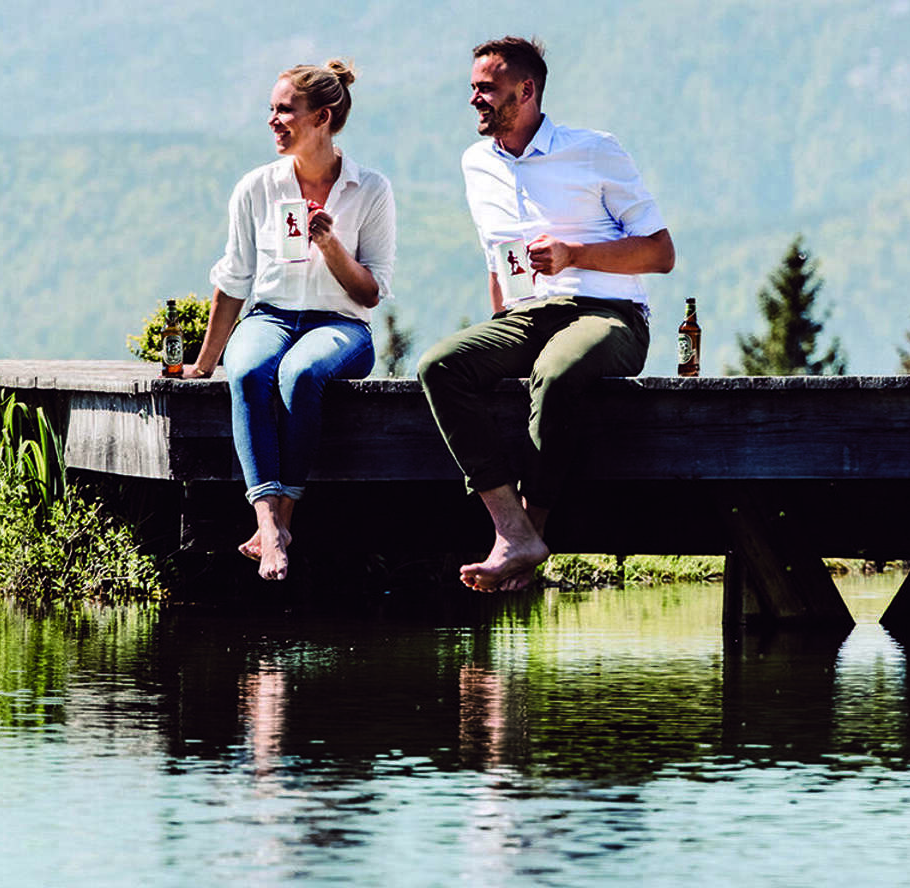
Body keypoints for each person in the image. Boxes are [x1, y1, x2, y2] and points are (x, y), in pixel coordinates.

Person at [417, 37, 674, 593]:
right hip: (525, 316)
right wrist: (496, 333)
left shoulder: (595, 150)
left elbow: (660, 252)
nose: (474, 100)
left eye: (486, 88)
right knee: (440, 365)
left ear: (526, 90)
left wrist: (573, 255)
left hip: (610, 314)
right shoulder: (475, 162)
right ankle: (509, 526)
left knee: (555, 372)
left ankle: (533, 530)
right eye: (472, 89)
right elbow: (496, 260)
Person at [184, 60, 396, 581]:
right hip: (270, 316)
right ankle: (268, 522)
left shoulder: (370, 189)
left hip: (341, 326)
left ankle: (284, 520)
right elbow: (234, 280)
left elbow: (371, 294)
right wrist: (204, 363)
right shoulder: (257, 187)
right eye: (271, 110)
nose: (274, 121)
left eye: (285, 111)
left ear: (322, 117)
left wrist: (330, 245)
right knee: (251, 369)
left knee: (300, 374)